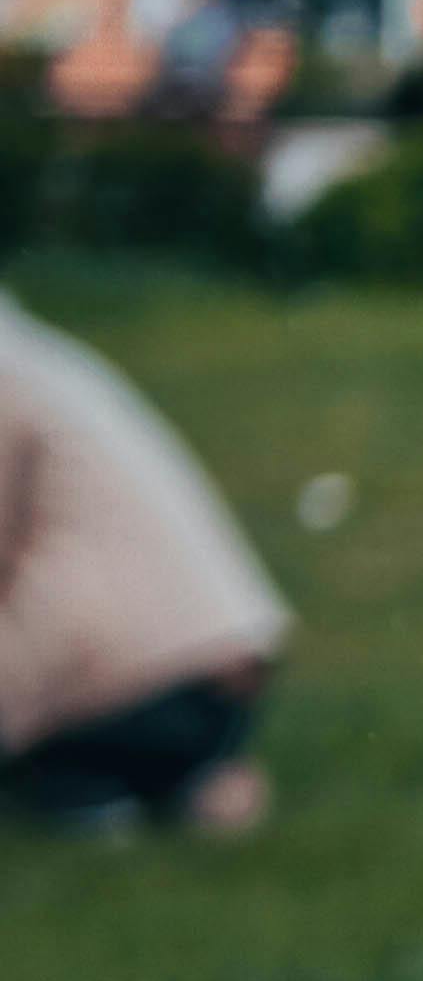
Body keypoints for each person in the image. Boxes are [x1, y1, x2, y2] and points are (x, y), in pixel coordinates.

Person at [0, 286, 289, 832]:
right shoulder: (42, 362)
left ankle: (96, 800)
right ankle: (192, 782)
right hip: (225, 672)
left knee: (27, 770)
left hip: (148, 683)